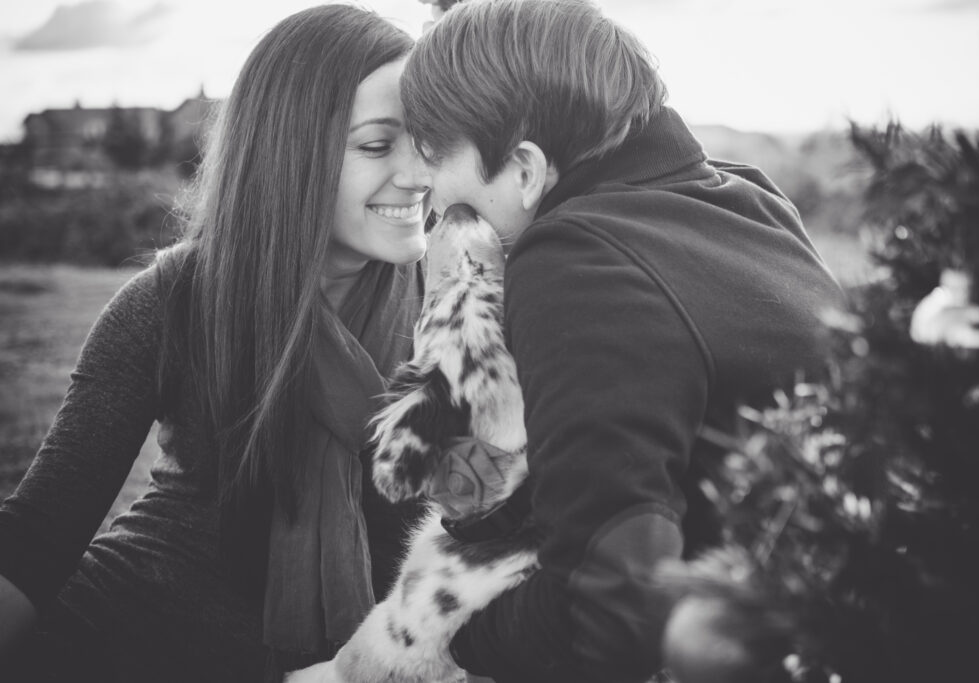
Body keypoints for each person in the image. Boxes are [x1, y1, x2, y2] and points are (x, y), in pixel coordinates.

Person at [400, 0, 847, 681]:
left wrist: (453, 640)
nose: (427, 192)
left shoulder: (575, 258)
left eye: (434, 152)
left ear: (524, 167)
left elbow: (614, 605)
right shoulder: (746, 198)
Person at [0, 5, 429, 681]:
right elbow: (35, 541)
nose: (418, 174)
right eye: (378, 145)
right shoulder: (170, 300)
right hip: (129, 642)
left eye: (425, 139)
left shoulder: (455, 307)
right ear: (294, 148)